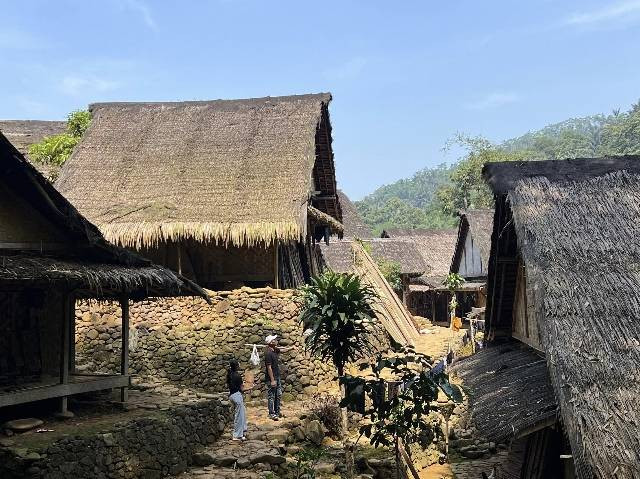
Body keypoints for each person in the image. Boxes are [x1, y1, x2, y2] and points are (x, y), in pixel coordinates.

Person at [264, 334, 294, 421]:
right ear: (270, 342)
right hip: (272, 378)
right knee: (271, 396)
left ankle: (277, 412)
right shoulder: (268, 354)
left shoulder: (275, 350)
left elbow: (283, 350)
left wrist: (291, 348)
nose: (276, 340)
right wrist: (272, 380)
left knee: (278, 395)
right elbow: (269, 368)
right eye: (274, 340)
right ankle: (271, 413)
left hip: (277, 376)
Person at [227, 359, 251, 441]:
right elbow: (242, 388)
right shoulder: (237, 376)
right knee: (239, 416)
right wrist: (250, 388)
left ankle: (243, 431)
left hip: (232, 395)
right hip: (237, 395)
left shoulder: (230, 374)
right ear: (236, 366)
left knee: (242, 413)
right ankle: (237, 435)